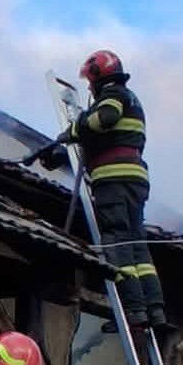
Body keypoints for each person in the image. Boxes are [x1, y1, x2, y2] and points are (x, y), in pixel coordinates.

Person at [59, 49, 166, 332]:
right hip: (133, 178)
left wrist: (74, 128)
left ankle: (133, 311)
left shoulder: (113, 96)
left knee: (116, 242)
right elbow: (107, 139)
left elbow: (102, 120)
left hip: (114, 180)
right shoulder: (131, 99)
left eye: (89, 81)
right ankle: (154, 310)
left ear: (98, 77)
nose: (89, 87)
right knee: (137, 246)